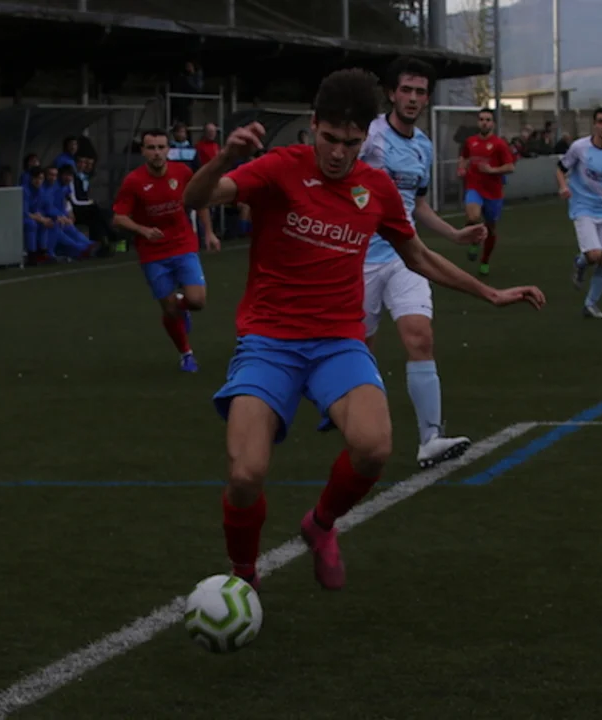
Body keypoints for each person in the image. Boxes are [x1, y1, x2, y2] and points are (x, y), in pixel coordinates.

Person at [183, 68, 546, 592]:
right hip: (269, 342)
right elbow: (196, 199)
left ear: (365, 137)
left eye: (351, 143)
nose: (338, 153)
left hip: (338, 343)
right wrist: (223, 158)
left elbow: (418, 256)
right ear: (313, 125)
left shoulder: (375, 188)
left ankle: (321, 525)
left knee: (374, 447)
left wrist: (490, 293)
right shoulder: (281, 167)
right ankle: (243, 573)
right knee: (245, 474)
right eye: (330, 139)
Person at [359, 56, 486, 468]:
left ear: (427, 98)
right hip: (360, 259)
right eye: (406, 90)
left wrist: (454, 234)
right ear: (391, 94)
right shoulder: (370, 137)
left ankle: (430, 438)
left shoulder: (423, 145)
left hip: (405, 258)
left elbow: (418, 205)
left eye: (420, 92)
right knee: (359, 350)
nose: (413, 98)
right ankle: (353, 416)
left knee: (420, 337)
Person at [112, 129, 220, 373]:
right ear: (143, 151)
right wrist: (142, 230)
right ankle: (186, 354)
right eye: (151, 148)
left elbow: (200, 201)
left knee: (197, 301)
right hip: (153, 253)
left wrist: (209, 232)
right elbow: (118, 217)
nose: (157, 153)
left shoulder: (182, 173)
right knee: (169, 310)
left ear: (168, 149)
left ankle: (183, 305)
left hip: (183, 244)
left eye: (161, 147)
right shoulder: (134, 181)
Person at [555, 106, 602, 319]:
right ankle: (580, 263)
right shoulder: (579, 147)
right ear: (594, 125)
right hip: (583, 207)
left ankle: (590, 305)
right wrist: (563, 187)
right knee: (594, 255)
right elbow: (560, 169)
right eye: (600, 122)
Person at [458, 108, 515, 276]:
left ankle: (485, 260)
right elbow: (464, 157)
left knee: (491, 228)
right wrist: (461, 168)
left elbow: (510, 167)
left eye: (488, 120)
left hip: (493, 192)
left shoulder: (499, 144)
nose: (484, 122)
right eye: (482, 119)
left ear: (493, 124)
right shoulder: (470, 141)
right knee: (473, 217)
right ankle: (475, 241)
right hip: (474, 187)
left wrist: (492, 170)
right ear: (478, 122)